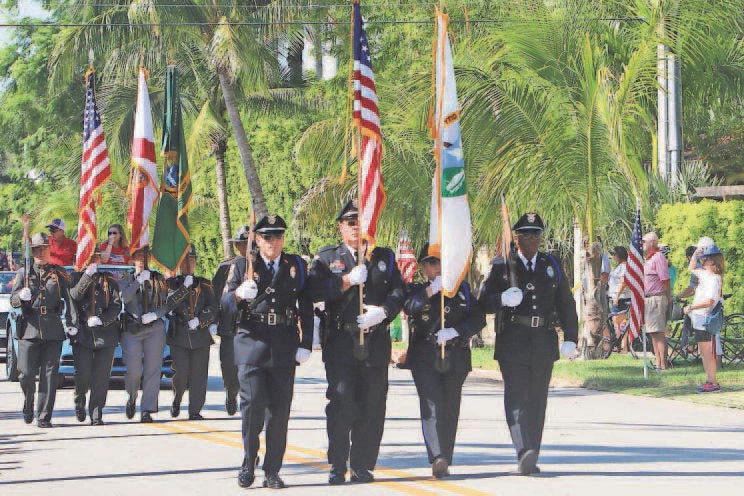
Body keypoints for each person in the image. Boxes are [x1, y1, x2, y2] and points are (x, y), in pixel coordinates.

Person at [308, 200, 405, 485]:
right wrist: (346, 281)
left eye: (359, 221)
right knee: (341, 404)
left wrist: (384, 312)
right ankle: (338, 464)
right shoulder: (328, 258)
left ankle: (362, 465)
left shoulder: (383, 256)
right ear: (340, 227)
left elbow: (399, 290)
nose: (355, 227)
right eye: (350, 223)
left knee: (372, 404)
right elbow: (313, 290)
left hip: (375, 341)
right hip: (340, 341)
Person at [479, 213, 578, 475]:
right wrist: (501, 298)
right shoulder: (503, 265)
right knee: (517, 396)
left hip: (543, 340)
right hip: (513, 339)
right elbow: (484, 302)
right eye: (527, 234)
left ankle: (533, 450)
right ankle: (523, 449)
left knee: (537, 398)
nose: (533, 239)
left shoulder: (551, 264)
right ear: (516, 237)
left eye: (537, 234)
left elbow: (566, 303)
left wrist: (570, 337)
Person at [226, 214, 313, 489]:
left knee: (279, 412)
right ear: (257, 240)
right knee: (252, 408)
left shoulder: (295, 265)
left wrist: (306, 343)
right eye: (267, 237)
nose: (273, 242)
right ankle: (249, 460)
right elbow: (224, 306)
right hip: (252, 344)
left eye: (277, 236)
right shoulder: (242, 266)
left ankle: (272, 470)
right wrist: (239, 295)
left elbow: (306, 305)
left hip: (284, 345)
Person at [402, 243, 485, 478]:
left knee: (450, 407)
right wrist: (431, 291)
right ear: (423, 268)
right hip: (425, 356)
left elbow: (479, 318)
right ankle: (437, 455)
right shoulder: (416, 290)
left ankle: (446, 456)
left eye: (439, 262)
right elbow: (410, 307)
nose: (436, 267)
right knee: (431, 404)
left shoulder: (462, 290)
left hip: (455, 355)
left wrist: (456, 331)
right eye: (431, 263)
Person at [10, 232, 75, 427]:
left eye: (44, 248)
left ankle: (44, 415)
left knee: (50, 375)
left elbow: (70, 297)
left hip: (52, 328)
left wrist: (72, 323)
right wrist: (21, 296)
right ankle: (28, 403)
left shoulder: (58, 272)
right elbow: (12, 300)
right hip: (29, 328)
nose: (40, 252)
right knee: (26, 374)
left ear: (49, 250)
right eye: (37, 249)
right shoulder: (24, 272)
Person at [119, 247, 184, 423]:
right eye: (138, 255)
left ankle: (147, 409)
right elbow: (124, 298)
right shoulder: (126, 277)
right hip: (132, 328)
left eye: (145, 255)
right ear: (132, 258)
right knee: (133, 371)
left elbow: (168, 302)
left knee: (152, 370)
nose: (142, 258)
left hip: (154, 328)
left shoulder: (158, 278)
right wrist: (138, 281)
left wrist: (156, 315)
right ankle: (132, 397)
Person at [68, 250, 122, 425]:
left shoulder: (110, 280)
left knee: (101, 377)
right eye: (90, 255)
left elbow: (116, 306)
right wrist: (88, 275)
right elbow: (75, 295)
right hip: (83, 335)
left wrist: (103, 320)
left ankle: (97, 412)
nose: (93, 259)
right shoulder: (76, 278)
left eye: (96, 256)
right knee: (82, 375)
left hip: (105, 335)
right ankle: (79, 399)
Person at [166, 246, 217, 420]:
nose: (189, 264)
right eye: (185, 261)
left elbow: (213, 307)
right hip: (179, 335)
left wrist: (201, 321)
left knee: (199, 376)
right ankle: (177, 398)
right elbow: (169, 305)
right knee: (180, 374)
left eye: (192, 260)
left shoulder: (204, 284)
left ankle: (195, 410)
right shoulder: (172, 283)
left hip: (200, 336)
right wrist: (183, 288)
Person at [212, 226, 251, 416]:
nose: (246, 248)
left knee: (249, 366)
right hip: (229, 324)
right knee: (229, 366)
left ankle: (247, 397)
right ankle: (231, 391)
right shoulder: (226, 266)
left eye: (249, 244)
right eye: (242, 244)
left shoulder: (260, 266)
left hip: (250, 324)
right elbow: (216, 294)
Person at [683, 244, 725, 393]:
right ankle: (710, 380)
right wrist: (696, 252)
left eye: (705, 259)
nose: (702, 261)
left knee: (707, 353)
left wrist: (692, 307)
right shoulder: (705, 275)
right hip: (700, 319)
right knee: (704, 352)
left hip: (706, 319)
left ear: (713, 261)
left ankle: (713, 382)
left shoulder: (714, 279)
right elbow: (691, 267)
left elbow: (710, 301)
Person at [641, 232, 671, 371]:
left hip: (657, 298)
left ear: (653, 242)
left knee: (659, 332)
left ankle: (663, 364)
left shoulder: (658, 257)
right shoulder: (648, 259)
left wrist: (668, 297)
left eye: (644, 241)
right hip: (649, 299)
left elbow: (665, 279)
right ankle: (658, 362)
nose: (642, 244)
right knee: (653, 332)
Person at [608, 246, 631, 352]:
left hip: (621, 297)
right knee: (617, 321)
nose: (613, 257)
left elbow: (624, 282)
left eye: (614, 254)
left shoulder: (623, 266)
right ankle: (621, 345)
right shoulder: (619, 266)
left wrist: (617, 296)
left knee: (620, 321)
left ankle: (623, 346)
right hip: (617, 297)